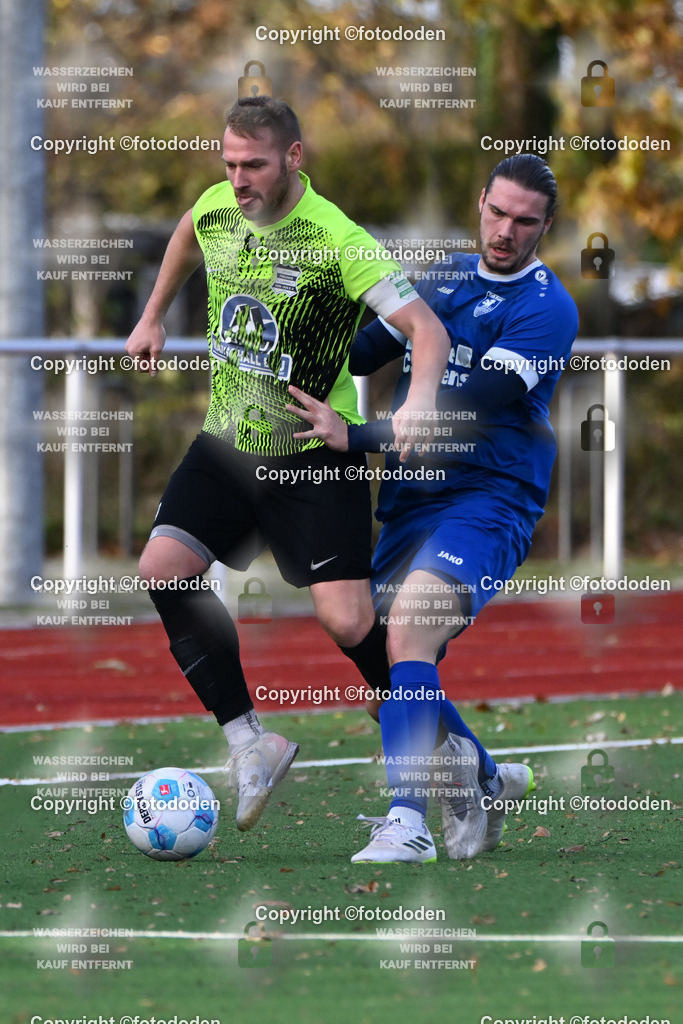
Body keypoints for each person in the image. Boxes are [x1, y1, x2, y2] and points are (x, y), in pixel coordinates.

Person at [125, 96, 451, 833]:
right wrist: (150, 316)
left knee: (347, 622)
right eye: (229, 163)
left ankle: (454, 754)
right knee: (162, 568)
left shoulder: (337, 238)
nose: (237, 180)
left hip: (311, 456)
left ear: (293, 158)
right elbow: (188, 232)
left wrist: (417, 404)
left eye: (254, 166)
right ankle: (250, 742)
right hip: (227, 446)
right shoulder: (217, 205)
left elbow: (423, 329)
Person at [287, 154, 579, 863]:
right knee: (386, 674)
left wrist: (351, 436)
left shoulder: (546, 309)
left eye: (523, 221)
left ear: (546, 227)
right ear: (479, 200)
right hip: (411, 499)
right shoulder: (443, 275)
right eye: (496, 212)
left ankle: (406, 824)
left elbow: (462, 410)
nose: (505, 231)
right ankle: (479, 777)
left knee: (409, 631)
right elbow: (359, 351)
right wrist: (297, 315)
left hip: (488, 497)